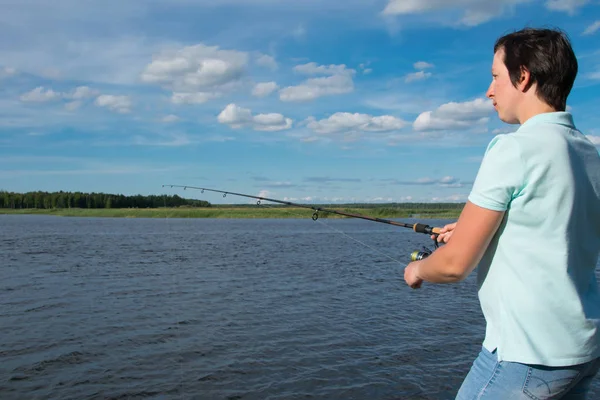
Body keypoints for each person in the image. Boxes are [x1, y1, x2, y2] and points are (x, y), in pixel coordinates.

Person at [404, 27, 600, 399]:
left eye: (495, 77)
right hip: (583, 351)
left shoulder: (513, 149)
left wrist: (417, 269)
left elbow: (453, 265)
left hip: (528, 355)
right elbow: (553, 226)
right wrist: (468, 230)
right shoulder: (589, 154)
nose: (489, 90)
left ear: (522, 76)